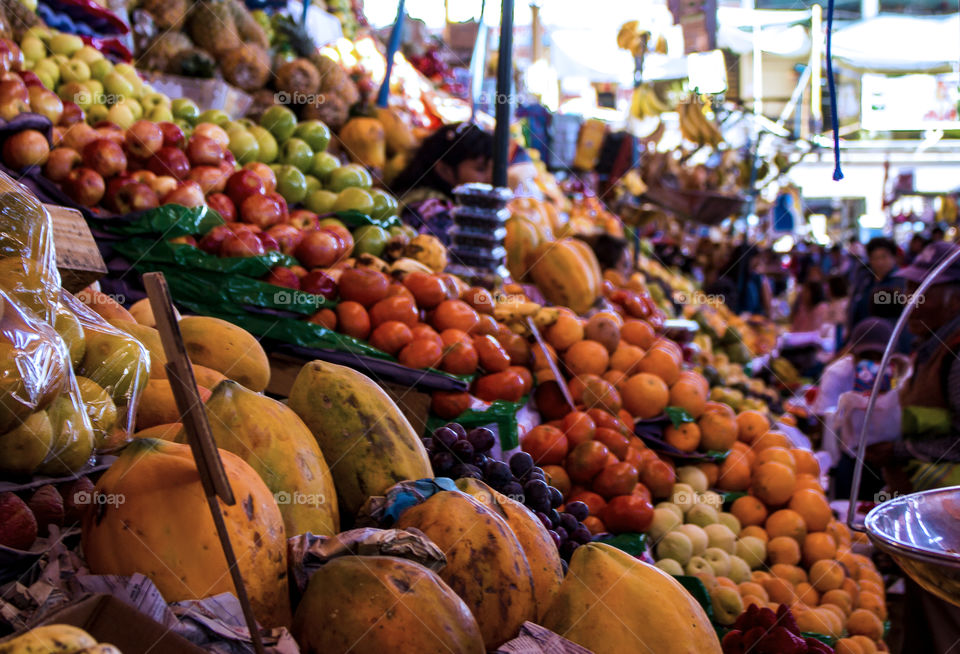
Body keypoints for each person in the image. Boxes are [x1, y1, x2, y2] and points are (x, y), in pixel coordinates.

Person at [866, 241, 960, 654]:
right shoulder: (932, 344)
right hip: (931, 526)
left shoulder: (957, 354)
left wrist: (899, 450)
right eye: (907, 289)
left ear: (954, 296)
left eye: (921, 291)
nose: (908, 301)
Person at [813, 318, 905, 499]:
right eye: (866, 357)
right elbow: (823, 416)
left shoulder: (903, 375)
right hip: (850, 457)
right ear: (853, 354)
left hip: (891, 456)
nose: (873, 363)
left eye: (880, 357)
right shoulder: (837, 374)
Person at [390, 123, 493, 243]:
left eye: (494, 168)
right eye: (480, 169)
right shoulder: (434, 210)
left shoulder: (416, 194)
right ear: (445, 170)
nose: (490, 178)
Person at [845, 237, 907, 334]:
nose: (879, 262)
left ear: (894, 258)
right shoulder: (864, 280)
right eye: (875, 258)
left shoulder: (902, 282)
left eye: (884, 257)